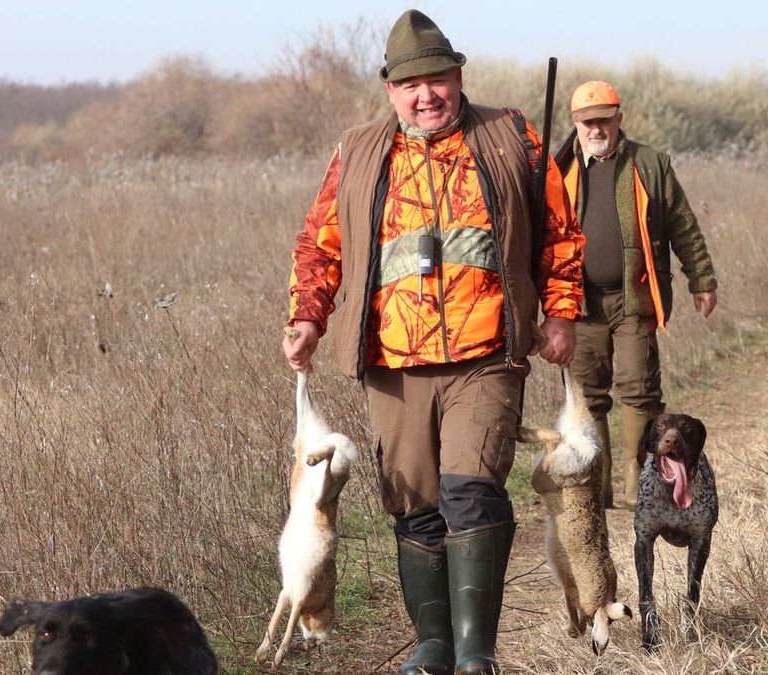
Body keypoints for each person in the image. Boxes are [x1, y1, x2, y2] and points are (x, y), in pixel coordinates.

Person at [283, 10, 584, 675]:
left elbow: (561, 233)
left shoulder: (513, 136)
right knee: (414, 505)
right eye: (412, 86)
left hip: (486, 353)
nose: (427, 97)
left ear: (458, 76)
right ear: (391, 90)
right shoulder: (357, 151)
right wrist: (308, 317)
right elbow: (320, 245)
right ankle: (434, 648)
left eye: (439, 81)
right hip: (392, 363)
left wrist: (559, 313)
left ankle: (476, 654)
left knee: (471, 492)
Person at [555, 80, 718, 508]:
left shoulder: (649, 164)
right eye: (587, 121)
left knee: (639, 387)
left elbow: (683, 225)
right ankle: (597, 485)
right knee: (587, 395)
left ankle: (639, 485)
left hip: (634, 299)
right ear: (574, 123)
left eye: (604, 119)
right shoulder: (556, 170)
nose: (596, 128)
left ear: (618, 119)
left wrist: (701, 279)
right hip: (578, 305)